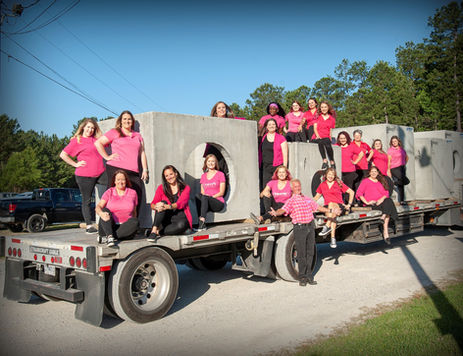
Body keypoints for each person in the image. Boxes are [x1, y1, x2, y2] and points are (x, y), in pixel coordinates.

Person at [270, 179, 334, 286]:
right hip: (300, 228)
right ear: (291, 188)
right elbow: (284, 209)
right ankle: (302, 278)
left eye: (299, 186)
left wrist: (330, 211)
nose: (298, 188)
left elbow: (318, 207)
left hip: (310, 226)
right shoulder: (291, 201)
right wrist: (276, 212)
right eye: (295, 187)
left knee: (310, 252)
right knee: (301, 253)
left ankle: (309, 276)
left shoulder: (307, 199)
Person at [94, 110, 148, 214]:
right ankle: (108, 220)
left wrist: (145, 169)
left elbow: (142, 153)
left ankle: (132, 223)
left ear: (132, 121)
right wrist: (107, 157)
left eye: (129, 119)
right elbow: (98, 143)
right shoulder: (115, 132)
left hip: (134, 171)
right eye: (125, 119)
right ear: (121, 121)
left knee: (137, 194)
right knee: (112, 196)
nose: (127, 121)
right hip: (116, 168)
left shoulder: (138, 135)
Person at [60, 118, 105, 234]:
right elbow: (63, 154)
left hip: (100, 173)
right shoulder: (77, 141)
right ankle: (89, 225)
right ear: (83, 127)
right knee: (87, 200)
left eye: (92, 128)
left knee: (110, 192)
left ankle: (107, 221)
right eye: (88, 127)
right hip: (85, 175)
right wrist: (75, 164)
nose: (90, 130)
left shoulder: (96, 140)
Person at [148, 165, 192, 241]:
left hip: (180, 219)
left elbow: (181, 203)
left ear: (176, 173)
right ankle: (154, 230)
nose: (169, 177)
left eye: (171, 174)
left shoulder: (185, 187)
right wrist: (156, 207)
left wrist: (167, 206)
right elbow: (153, 203)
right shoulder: (161, 188)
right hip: (166, 219)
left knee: (182, 225)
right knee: (161, 203)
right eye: (166, 176)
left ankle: (159, 232)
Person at [313, 168, 354, 248]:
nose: (330, 176)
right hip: (329, 207)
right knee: (332, 215)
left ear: (335, 176)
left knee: (332, 206)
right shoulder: (322, 185)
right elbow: (316, 197)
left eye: (332, 175)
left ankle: (327, 226)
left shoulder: (338, 183)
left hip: (339, 205)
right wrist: (307, 203)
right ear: (326, 175)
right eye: (329, 174)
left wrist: (349, 204)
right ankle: (332, 238)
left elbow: (351, 192)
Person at [356, 166, 398, 244]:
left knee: (388, 201)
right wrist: (367, 202)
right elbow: (359, 193)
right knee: (388, 206)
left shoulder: (380, 181)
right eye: (372, 171)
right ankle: (386, 232)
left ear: (378, 173)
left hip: (381, 202)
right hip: (372, 203)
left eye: (375, 171)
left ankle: (383, 221)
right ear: (369, 173)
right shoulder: (365, 181)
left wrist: (381, 199)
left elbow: (386, 193)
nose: (373, 173)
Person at [95, 170, 138, 247]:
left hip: (124, 228)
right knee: (105, 210)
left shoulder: (133, 193)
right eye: (118, 179)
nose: (120, 182)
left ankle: (109, 237)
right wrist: (101, 213)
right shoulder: (109, 192)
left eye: (123, 179)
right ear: (114, 181)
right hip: (109, 225)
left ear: (126, 181)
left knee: (135, 221)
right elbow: (98, 207)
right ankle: (109, 236)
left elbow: (134, 212)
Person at [196, 154, 226, 230]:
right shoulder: (203, 176)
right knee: (197, 196)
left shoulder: (220, 174)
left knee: (205, 197)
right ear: (206, 163)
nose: (211, 163)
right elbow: (202, 192)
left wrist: (210, 197)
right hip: (207, 201)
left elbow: (221, 192)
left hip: (218, 202)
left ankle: (202, 222)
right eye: (209, 161)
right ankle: (200, 220)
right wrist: (206, 198)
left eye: (213, 161)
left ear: (216, 163)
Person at [259, 118, 288, 190]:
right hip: (265, 167)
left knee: (276, 189)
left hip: (277, 167)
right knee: (265, 189)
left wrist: (284, 168)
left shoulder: (281, 138)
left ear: (276, 126)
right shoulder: (263, 138)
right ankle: (266, 201)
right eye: (269, 124)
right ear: (266, 126)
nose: (271, 126)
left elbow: (285, 154)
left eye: (273, 124)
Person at [312, 101, 336, 169]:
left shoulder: (332, 119)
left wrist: (330, 137)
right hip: (317, 136)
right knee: (321, 141)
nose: (323, 109)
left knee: (327, 142)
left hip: (326, 137)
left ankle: (332, 161)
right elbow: (315, 128)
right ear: (320, 108)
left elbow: (330, 129)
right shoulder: (317, 117)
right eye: (322, 107)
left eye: (325, 107)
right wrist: (318, 136)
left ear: (328, 108)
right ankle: (325, 161)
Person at [387, 136, 409, 203]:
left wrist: (404, 163)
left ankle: (402, 200)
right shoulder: (390, 150)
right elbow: (388, 160)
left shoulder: (402, 149)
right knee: (406, 181)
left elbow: (407, 157)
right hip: (394, 168)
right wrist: (388, 170)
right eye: (393, 141)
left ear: (398, 141)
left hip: (402, 167)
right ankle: (393, 183)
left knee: (401, 185)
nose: (394, 142)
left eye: (395, 141)